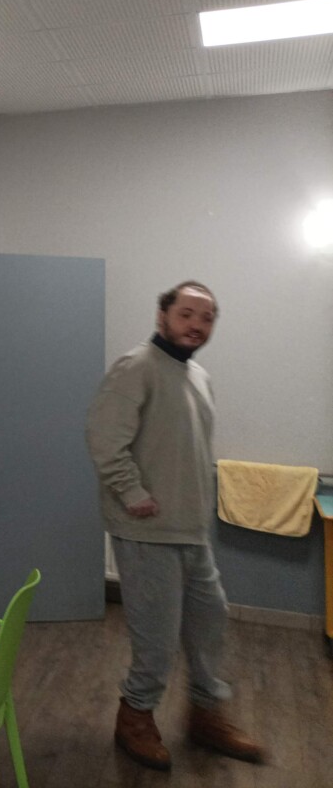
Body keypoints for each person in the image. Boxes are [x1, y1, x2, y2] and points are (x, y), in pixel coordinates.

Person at [86, 281, 265, 771]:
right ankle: (135, 717)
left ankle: (206, 716)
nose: (196, 325)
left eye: (206, 317)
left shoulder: (199, 377)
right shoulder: (136, 367)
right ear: (162, 315)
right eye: (186, 313)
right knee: (157, 640)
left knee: (210, 625)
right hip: (146, 532)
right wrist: (132, 493)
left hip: (191, 531)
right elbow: (104, 438)